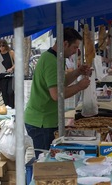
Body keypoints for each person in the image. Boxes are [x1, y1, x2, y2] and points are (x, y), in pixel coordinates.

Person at [25, 27, 92, 158]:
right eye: (74, 47)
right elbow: (56, 94)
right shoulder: (51, 62)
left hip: (45, 120)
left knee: (48, 159)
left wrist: (77, 72)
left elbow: (60, 83)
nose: (75, 52)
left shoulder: (55, 58)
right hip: (42, 122)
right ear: (65, 43)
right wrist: (79, 86)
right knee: (45, 161)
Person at [0, 39, 15, 108]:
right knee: (4, 93)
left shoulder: (11, 53)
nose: (1, 48)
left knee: (10, 91)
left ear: (6, 46)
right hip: (1, 76)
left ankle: (12, 106)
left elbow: (16, 62)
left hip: (10, 75)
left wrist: (11, 68)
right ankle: (7, 106)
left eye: (3, 46)